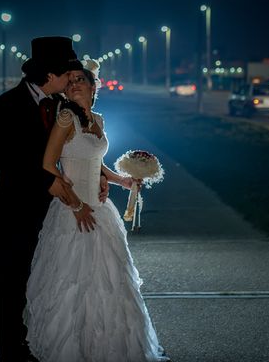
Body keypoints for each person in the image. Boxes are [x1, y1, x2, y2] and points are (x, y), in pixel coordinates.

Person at [25, 59, 170, 362]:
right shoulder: (66, 119)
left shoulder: (99, 120)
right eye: (71, 80)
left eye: (82, 79)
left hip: (101, 211)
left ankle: (105, 349)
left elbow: (96, 163)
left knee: (108, 283)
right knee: (73, 285)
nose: (75, 83)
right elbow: (48, 166)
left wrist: (122, 181)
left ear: (94, 86)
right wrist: (76, 205)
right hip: (72, 213)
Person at [0, 36, 107, 361]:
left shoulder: (61, 106)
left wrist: (97, 174)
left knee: (47, 292)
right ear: (51, 74)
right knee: (13, 296)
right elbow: (1, 158)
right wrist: (47, 180)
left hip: (56, 218)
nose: (72, 80)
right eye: (68, 74)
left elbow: (74, 148)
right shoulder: (4, 106)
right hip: (17, 218)